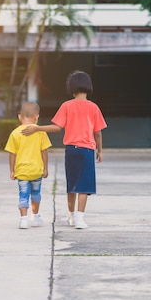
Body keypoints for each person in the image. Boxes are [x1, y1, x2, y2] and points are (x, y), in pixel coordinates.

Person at [22, 70, 107, 229]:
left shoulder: (66, 106)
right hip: (87, 150)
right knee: (85, 186)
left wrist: (37, 128)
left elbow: (57, 127)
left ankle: (71, 216)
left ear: (71, 88)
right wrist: (100, 150)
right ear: (88, 86)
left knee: (72, 184)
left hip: (71, 151)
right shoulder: (94, 107)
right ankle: (80, 219)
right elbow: (98, 133)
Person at [4, 101, 52, 229]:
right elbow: (44, 152)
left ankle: (23, 220)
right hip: (37, 171)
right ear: (36, 117)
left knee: (23, 195)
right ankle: (35, 217)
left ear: (19, 117)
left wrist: (12, 170)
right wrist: (46, 168)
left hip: (22, 172)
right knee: (36, 193)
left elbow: (12, 154)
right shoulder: (40, 132)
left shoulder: (15, 133)